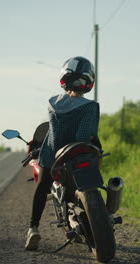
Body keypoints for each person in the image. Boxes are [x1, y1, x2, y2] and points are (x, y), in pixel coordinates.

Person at [25, 56, 100, 250]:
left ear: (64, 79)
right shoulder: (90, 107)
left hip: (52, 156)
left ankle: (33, 229)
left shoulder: (52, 104)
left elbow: (53, 133)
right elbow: (85, 135)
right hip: (78, 155)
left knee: (42, 188)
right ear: (88, 82)